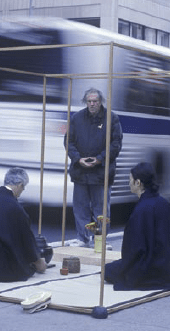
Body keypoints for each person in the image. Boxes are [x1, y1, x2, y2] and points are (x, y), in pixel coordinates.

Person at [104, 162, 170, 291]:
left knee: (107, 270)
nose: (129, 183)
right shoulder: (164, 203)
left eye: (130, 180)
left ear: (138, 183)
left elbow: (134, 249)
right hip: (166, 268)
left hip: (147, 270)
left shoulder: (142, 209)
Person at [65, 87, 123, 247]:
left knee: (101, 209)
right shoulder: (76, 118)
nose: (92, 104)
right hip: (80, 171)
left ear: (100, 102)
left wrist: (99, 159)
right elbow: (68, 142)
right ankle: (82, 238)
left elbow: (116, 144)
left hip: (101, 172)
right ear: (86, 102)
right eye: (89, 101)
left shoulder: (112, 118)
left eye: (95, 101)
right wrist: (78, 159)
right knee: (80, 207)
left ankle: (99, 240)